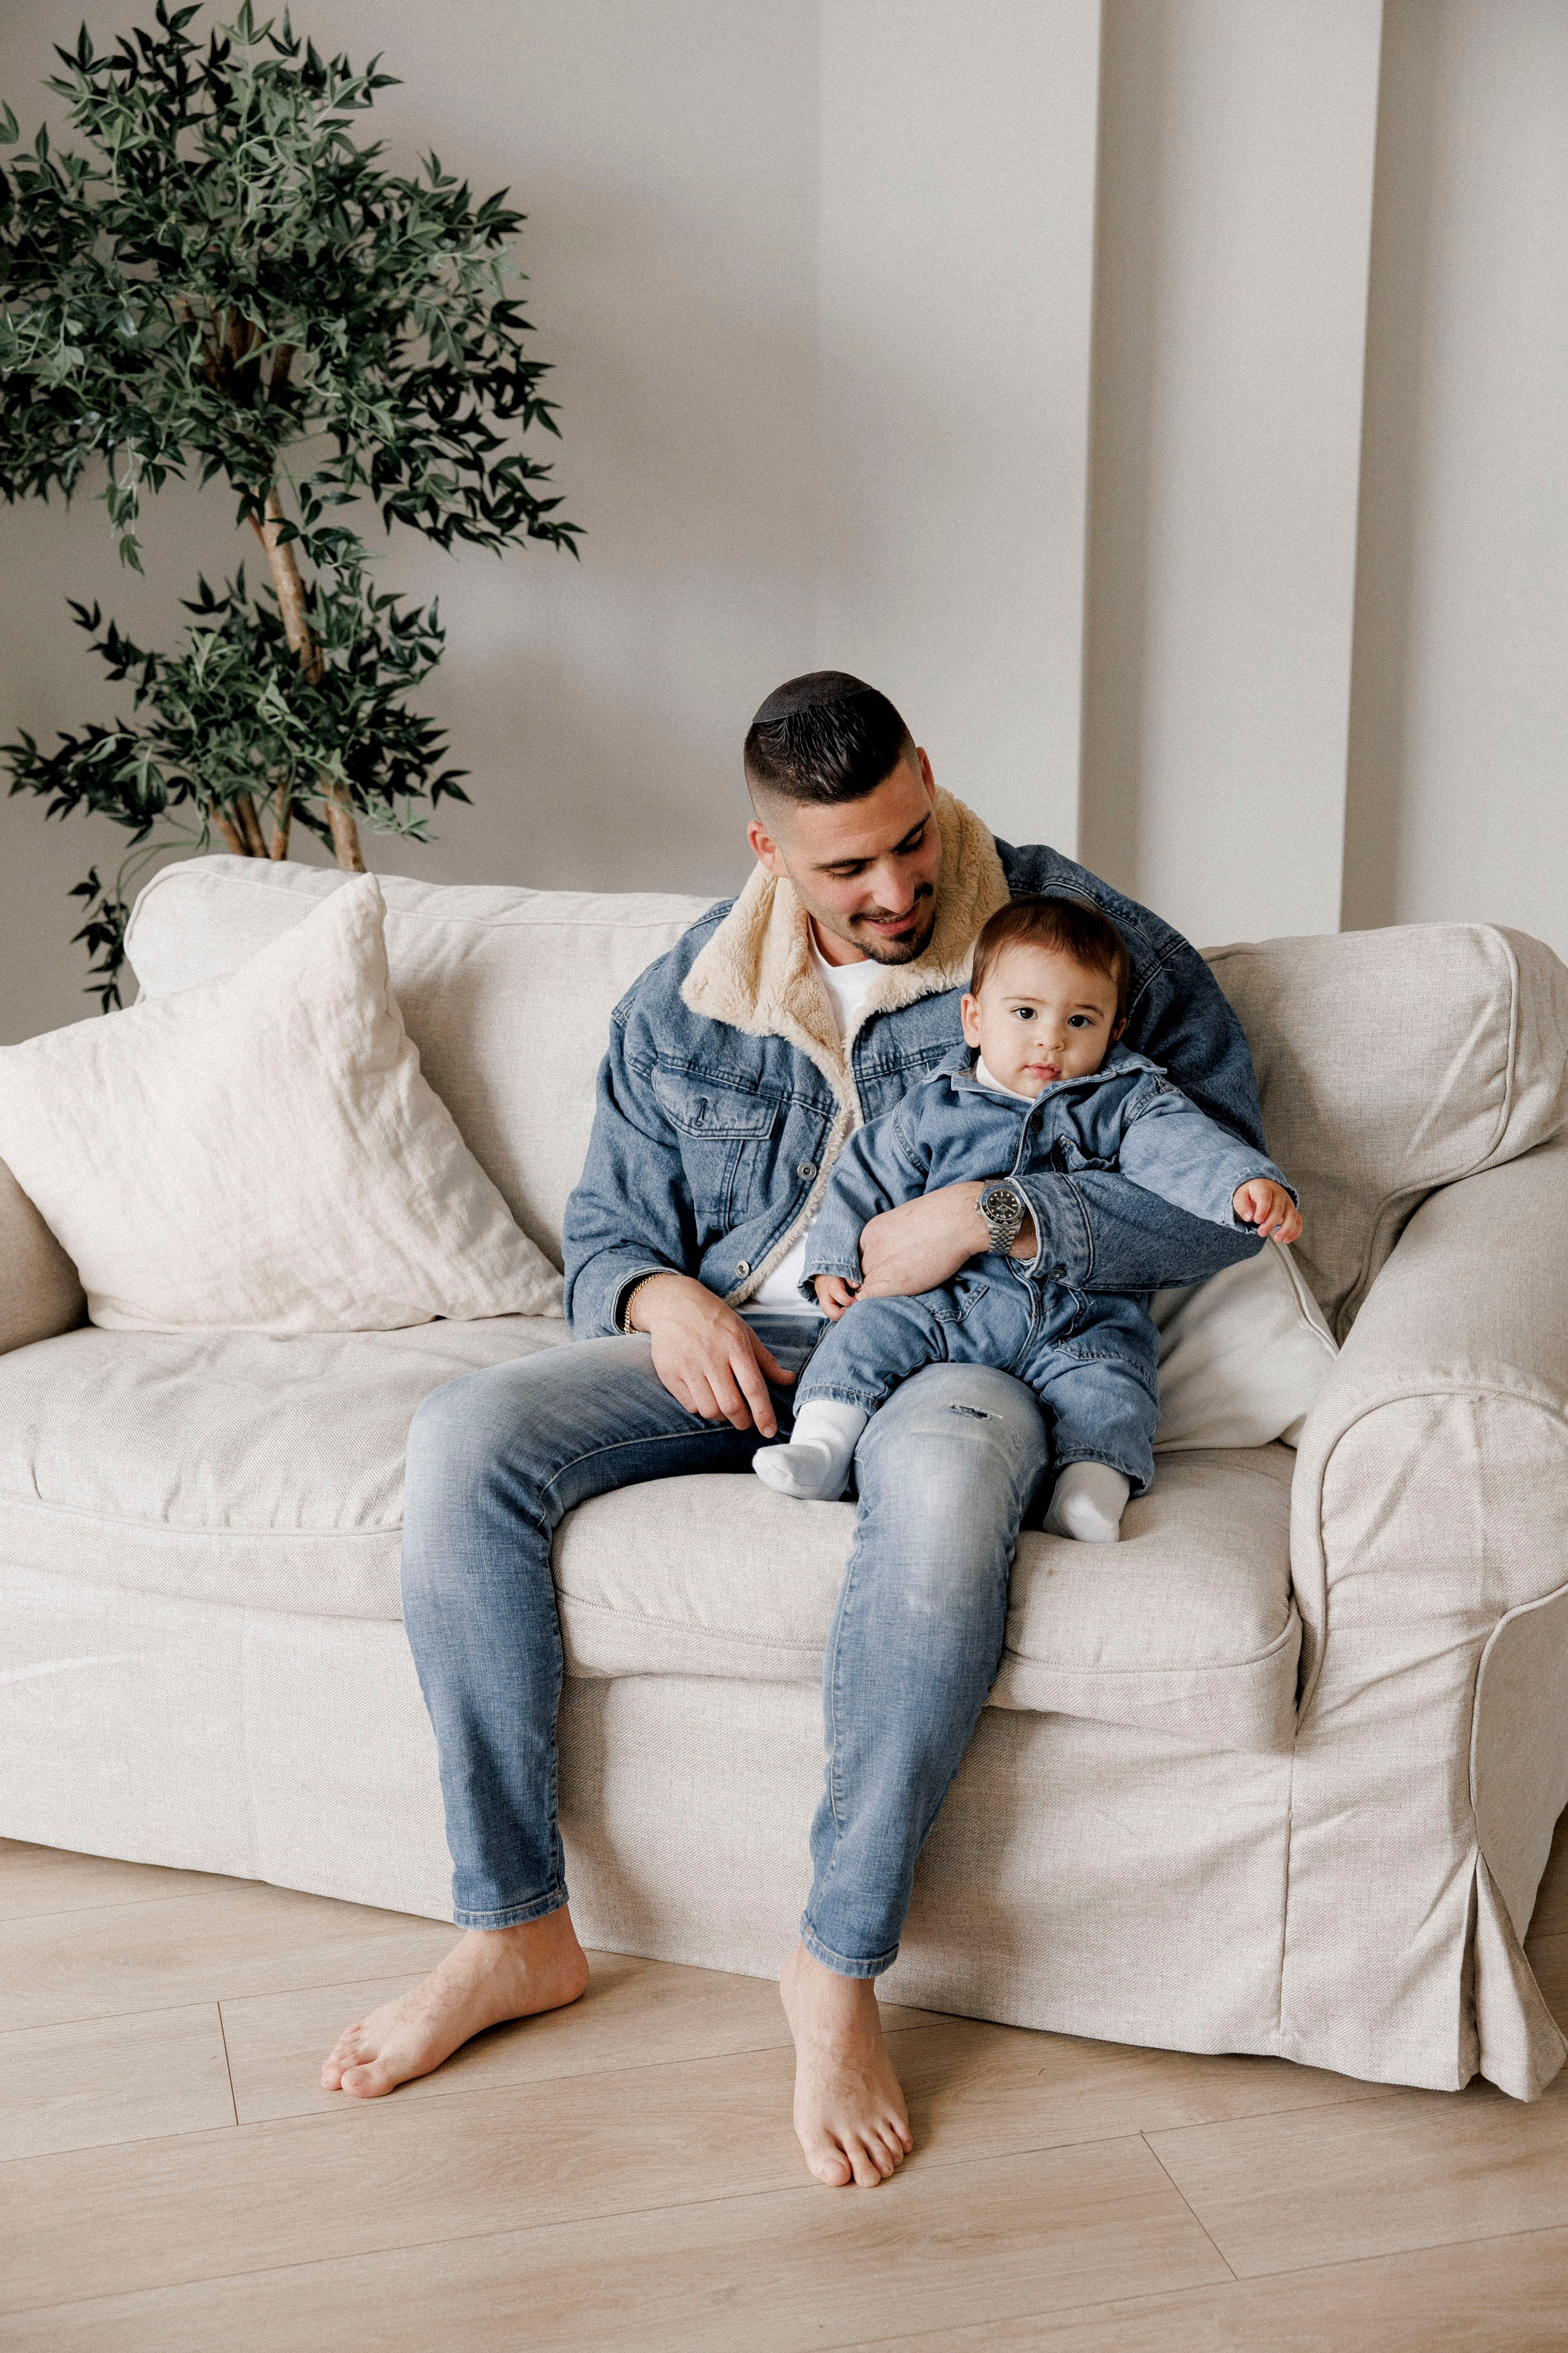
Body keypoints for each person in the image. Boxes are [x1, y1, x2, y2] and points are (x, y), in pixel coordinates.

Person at [320, 671, 1275, 2190]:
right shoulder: (684, 993)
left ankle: (831, 1965)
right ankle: (511, 1926)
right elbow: (604, 1231)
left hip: (976, 1340)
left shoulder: (1075, 940)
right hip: (748, 1345)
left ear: (929, 777)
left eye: (909, 838)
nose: (895, 888)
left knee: (954, 1484)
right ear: (767, 850)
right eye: (847, 865)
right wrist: (654, 1301)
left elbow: (1218, 1195)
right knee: (466, 1435)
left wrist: (989, 1210)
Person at [753, 893, 1300, 1530]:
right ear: (974, 1019)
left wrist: (1242, 1183)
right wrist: (833, 1261)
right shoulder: (936, 1107)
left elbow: (1184, 1150)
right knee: (866, 1332)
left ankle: (1088, 1489)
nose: (1049, 1039)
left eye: (1080, 1022)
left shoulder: (1124, 1101)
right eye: (1025, 1012)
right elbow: (862, 1177)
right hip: (941, 1301)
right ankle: (822, 1443)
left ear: (1115, 1031)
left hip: (1081, 1313)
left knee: (1113, 1385)